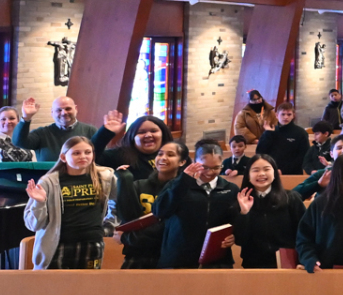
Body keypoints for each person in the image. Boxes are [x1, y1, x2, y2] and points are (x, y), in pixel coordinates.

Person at [23, 136, 118, 269]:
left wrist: (109, 227)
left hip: (92, 243)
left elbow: (118, 204)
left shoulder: (105, 177)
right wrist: (39, 203)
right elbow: (34, 225)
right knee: (56, 283)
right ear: (63, 157)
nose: (83, 156)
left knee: (88, 282)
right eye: (76, 153)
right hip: (58, 246)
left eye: (88, 152)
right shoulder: (48, 181)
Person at [153, 140, 240, 269]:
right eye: (204, 167)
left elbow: (235, 221)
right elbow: (159, 211)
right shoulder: (177, 184)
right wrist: (183, 182)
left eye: (216, 167)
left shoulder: (230, 189)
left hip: (216, 259)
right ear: (194, 163)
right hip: (178, 258)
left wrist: (234, 235)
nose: (209, 172)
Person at [115, 140, 186, 268]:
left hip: (167, 256)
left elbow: (165, 228)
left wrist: (127, 238)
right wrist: (124, 181)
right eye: (160, 154)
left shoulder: (183, 191)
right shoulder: (139, 185)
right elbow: (128, 219)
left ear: (182, 162)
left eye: (170, 155)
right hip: (136, 254)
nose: (163, 158)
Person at [233, 154, 305, 268]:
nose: (261, 174)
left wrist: (303, 260)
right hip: (253, 264)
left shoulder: (291, 198)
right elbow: (239, 240)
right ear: (248, 176)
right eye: (255, 170)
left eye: (266, 169)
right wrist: (244, 213)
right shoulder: (241, 201)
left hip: (287, 262)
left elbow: (304, 232)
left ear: (275, 173)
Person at [89, 111, 173, 180]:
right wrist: (105, 133)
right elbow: (90, 157)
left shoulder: (175, 154)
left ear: (163, 134)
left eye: (153, 131)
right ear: (132, 137)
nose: (148, 135)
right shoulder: (119, 155)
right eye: (141, 132)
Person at [13, 96, 98, 161]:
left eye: (68, 109)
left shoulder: (90, 131)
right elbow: (19, 142)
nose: (64, 113)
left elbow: (100, 157)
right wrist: (26, 117)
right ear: (52, 112)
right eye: (59, 110)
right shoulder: (41, 134)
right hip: (48, 178)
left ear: (76, 109)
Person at [256, 102, 311, 174]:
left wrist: (283, 170)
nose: (286, 117)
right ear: (277, 115)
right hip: (271, 172)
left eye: (289, 114)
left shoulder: (301, 133)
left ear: (293, 116)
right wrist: (268, 134)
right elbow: (260, 152)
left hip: (293, 173)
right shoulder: (269, 132)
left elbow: (303, 156)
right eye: (283, 114)